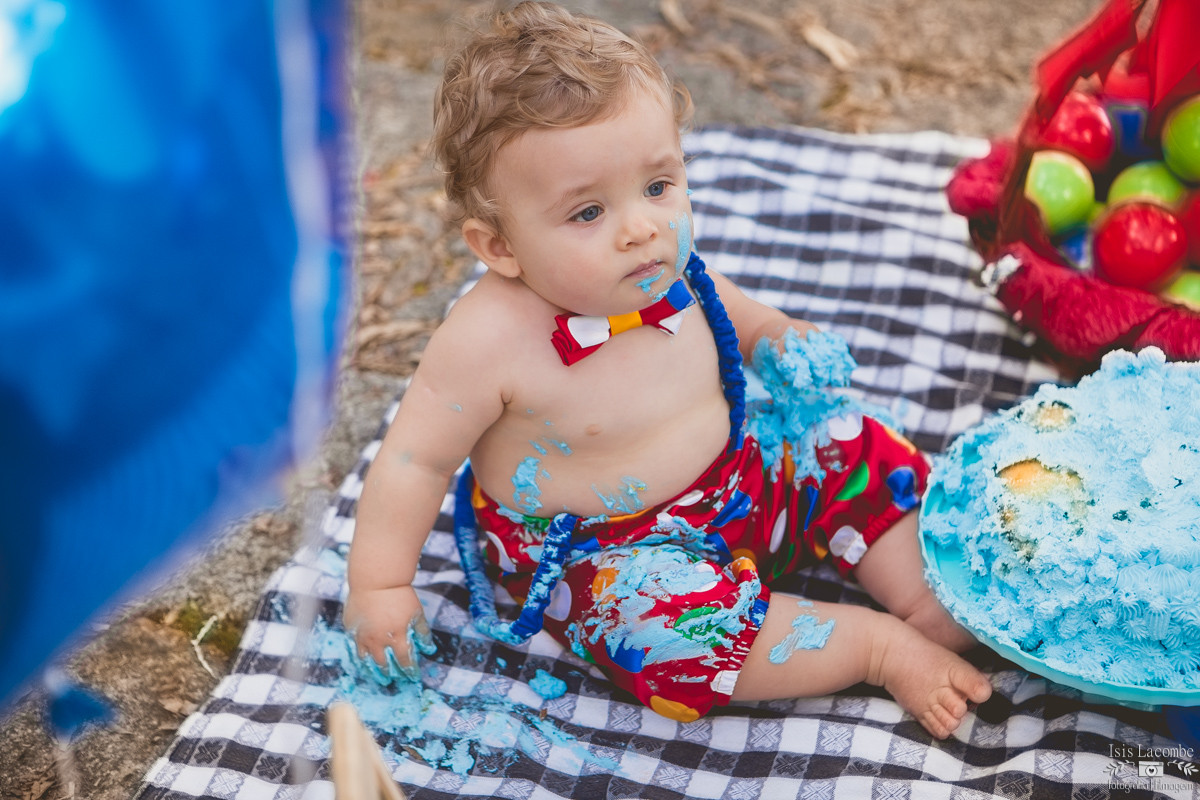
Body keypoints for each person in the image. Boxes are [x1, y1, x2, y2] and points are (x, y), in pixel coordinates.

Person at [345, 0, 992, 739]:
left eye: (658, 187)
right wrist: (381, 582)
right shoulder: (486, 341)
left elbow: (734, 311)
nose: (642, 228)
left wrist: (775, 337)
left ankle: (919, 594)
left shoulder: (660, 266)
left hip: (741, 480)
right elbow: (413, 459)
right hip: (609, 554)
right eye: (588, 213)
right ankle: (871, 646)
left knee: (841, 437)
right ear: (499, 247)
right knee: (665, 633)